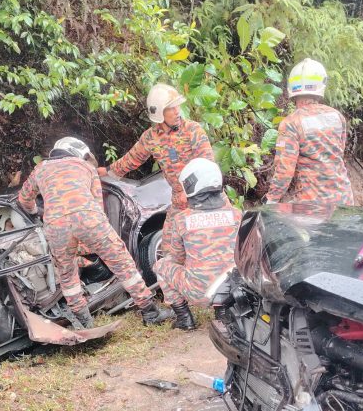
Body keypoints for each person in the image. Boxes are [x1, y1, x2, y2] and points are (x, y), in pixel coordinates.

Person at [17, 137, 172, 329]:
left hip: (56, 225)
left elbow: (24, 200)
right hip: (88, 218)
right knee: (122, 263)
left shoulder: (40, 169)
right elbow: (98, 204)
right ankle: (150, 312)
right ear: (77, 152)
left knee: (67, 275)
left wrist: (35, 213)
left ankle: (85, 323)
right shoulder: (86, 167)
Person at [98, 83, 214, 257]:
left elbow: (208, 164)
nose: (177, 111)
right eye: (171, 108)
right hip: (178, 201)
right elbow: (131, 160)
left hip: (202, 198)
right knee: (168, 249)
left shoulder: (193, 130)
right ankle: (173, 281)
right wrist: (107, 172)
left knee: (207, 245)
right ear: (159, 113)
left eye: (177, 106)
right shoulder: (150, 138)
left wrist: (190, 190)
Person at [153, 158, 241, 331]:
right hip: (236, 288)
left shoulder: (181, 219)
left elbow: (177, 258)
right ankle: (226, 311)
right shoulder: (237, 215)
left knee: (161, 266)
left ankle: (184, 318)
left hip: (200, 293)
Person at [264, 58, 354, 206]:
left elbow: (284, 170)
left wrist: (271, 199)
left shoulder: (291, 123)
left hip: (311, 205)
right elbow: (339, 153)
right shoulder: (337, 116)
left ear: (292, 87)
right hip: (344, 200)